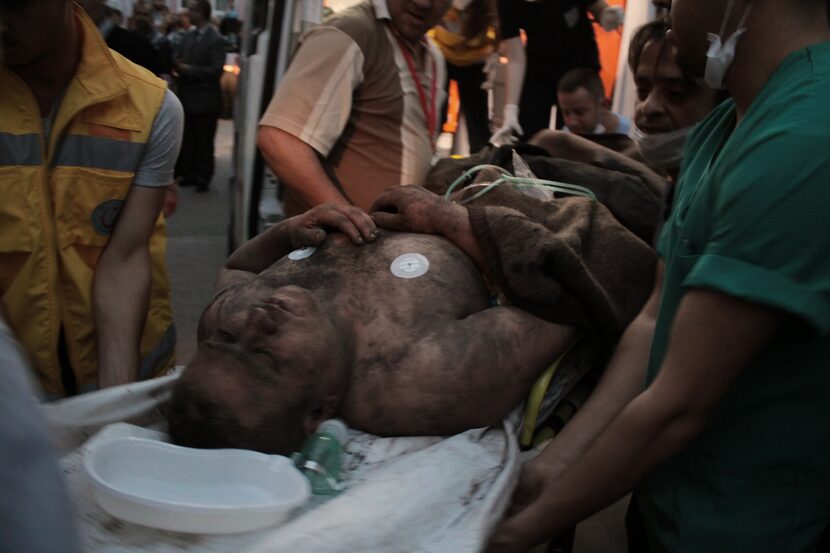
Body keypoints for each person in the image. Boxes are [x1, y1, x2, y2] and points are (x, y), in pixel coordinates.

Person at [485, 0, 830, 551]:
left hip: (749, 528)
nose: (666, 6)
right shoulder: (725, 127)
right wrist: (550, 471)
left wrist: (509, 533)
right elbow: (653, 323)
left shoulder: (806, 136)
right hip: (667, 503)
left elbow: (677, 406)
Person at [168, 182, 655, 455]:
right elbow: (569, 300)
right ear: (318, 413)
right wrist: (455, 223)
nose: (256, 321)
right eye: (263, 355)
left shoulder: (226, 319)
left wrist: (286, 232)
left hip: (444, 184)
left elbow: (236, 266)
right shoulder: (418, 375)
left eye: (229, 339)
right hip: (500, 203)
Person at [0, 0, 182, 398]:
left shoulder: (150, 108)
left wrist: (114, 408)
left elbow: (125, 257)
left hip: (123, 381)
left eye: (13, 5)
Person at [256, 0, 452, 217]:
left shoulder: (434, 56)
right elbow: (279, 140)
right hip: (338, 244)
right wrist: (351, 222)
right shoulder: (348, 34)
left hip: (392, 244)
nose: (423, 3)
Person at [490, 0, 625, 144]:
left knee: (579, 133)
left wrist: (605, 14)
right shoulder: (506, 3)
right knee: (528, 134)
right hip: (538, 67)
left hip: (578, 62)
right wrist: (511, 109)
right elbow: (515, 56)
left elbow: (593, 4)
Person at [431, 0, 500, 154]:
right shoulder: (440, 8)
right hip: (443, 56)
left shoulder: (489, 7)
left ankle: (480, 164)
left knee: (477, 125)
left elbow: (500, 31)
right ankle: (427, 153)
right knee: (436, 112)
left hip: (474, 62)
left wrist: (494, 56)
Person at [173, 0, 226, 193]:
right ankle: (190, 173)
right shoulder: (188, 37)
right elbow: (178, 58)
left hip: (205, 100)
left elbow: (215, 70)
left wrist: (189, 70)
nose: (189, 13)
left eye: (193, 10)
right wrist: (179, 66)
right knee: (189, 139)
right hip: (187, 97)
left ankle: (203, 176)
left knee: (204, 141)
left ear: (203, 12)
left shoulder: (215, 39)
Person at [557, 67, 631, 135]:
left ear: (603, 105)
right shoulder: (565, 137)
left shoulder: (632, 135)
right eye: (566, 113)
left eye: (579, 112)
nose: (572, 122)